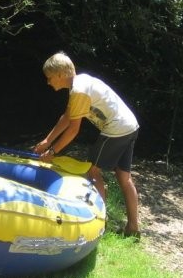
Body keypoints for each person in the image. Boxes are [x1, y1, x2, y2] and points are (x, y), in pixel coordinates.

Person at [33, 52, 141, 237]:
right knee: (124, 177)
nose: (48, 82)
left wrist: (53, 151)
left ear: (60, 74)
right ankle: (133, 227)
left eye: (49, 78)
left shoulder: (79, 91)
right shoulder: (80, 82)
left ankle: (99, 224)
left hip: (117, 129)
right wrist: (47, 140)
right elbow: (67, 117)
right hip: (130, 126)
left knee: (93, 171)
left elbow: (74, 130)